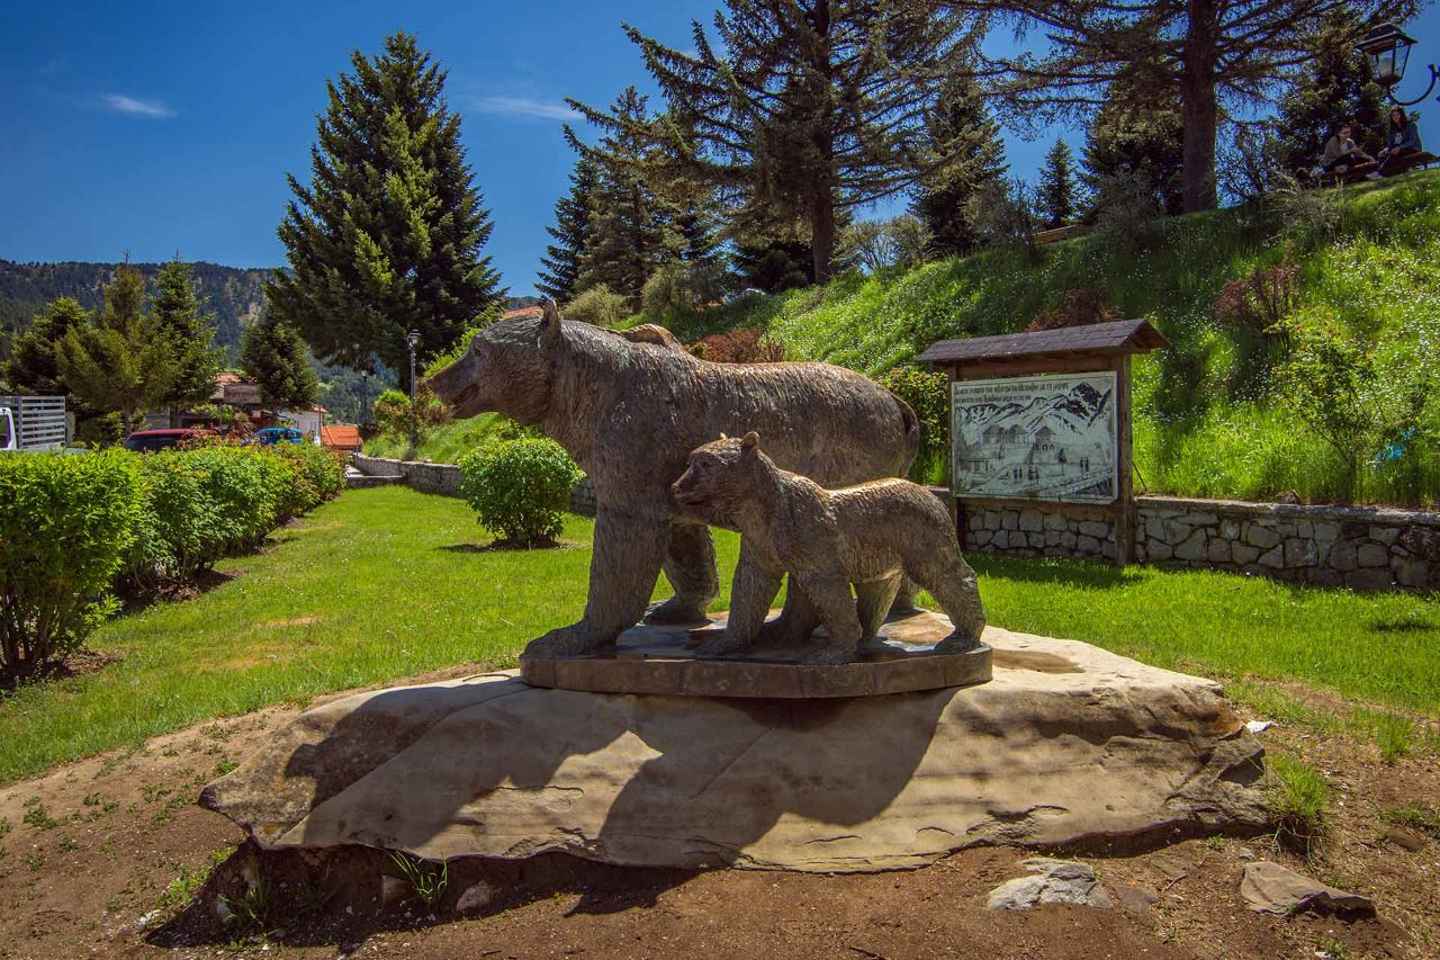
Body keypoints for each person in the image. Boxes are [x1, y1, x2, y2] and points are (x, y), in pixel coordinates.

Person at [1369, 107, 1423, 179]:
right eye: (1393, 115)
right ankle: (1388, 175)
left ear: (1401, 115)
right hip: (1397, 149)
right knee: (1383, 155)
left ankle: (1379, 173)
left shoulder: (1411, 125)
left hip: (1412, 148)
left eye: (1397, 114)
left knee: (1395, 153)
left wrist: (1399, 147)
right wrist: (1385, 150)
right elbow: (1390, 145)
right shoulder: (1392, 130)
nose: (1395, 117)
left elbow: (1412, 141)